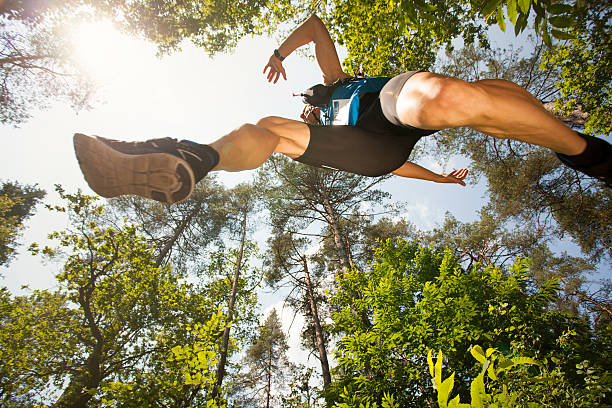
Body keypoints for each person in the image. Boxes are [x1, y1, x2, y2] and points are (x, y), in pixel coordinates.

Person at [74, 14, 611, 205]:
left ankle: (584, 149)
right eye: (311, 106)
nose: (310, 107)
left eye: (310, 103)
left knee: (457, 96)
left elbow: (316, 26)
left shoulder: (339, 84)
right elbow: (393, 167)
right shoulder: (322, 117)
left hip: (391, 112)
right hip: (369, 152)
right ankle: (193, 159)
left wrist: (280, 53)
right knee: (267, 128)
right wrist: (440, 182)